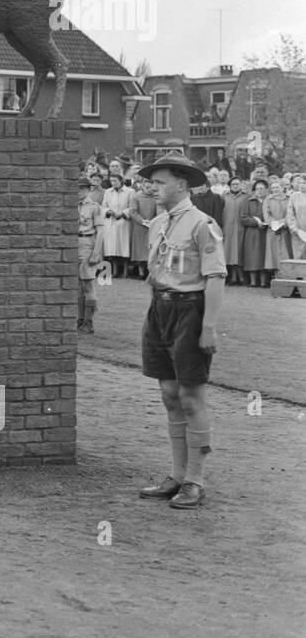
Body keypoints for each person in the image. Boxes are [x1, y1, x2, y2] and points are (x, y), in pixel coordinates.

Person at [136, 152, 226, 510]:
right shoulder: (158, 223)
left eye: (159, 182)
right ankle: (176, 474)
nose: (152, 187)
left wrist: (209, 328)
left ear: (182, 185)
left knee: (191, 396)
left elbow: (216, 276)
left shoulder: (203, 224)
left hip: (190, 310)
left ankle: (195, 480)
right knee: (169, 394)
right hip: (160, 309)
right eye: (152, 182)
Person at [76, 175, 106, 332]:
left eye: (82, 188)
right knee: (78, 286)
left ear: (88, 189)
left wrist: (96, 253)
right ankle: (80, 319)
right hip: (75, 245)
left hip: (88, 244)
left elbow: (100, 231)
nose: (79, 191)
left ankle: (89, 322)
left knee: (88, 285)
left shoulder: (94, 207)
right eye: (77, 188)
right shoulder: (72, 206)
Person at [239, 179, 269, 288]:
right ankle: (252, 281)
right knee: (252, 256)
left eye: (262, 188)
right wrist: (255, 222)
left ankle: (263, 281)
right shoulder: (248, 201)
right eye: (257, 189)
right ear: (254, 190)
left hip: (266, 232)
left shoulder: (269, 200)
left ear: (266, 190)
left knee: (264, 255)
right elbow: (243, 218)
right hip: (252, 233)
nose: (259, 191)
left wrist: (267, 223)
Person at [127, 176, 159, 279]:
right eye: (146, 182)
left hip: (153, 226)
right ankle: (141, 273)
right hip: (139, 226)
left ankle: (150, 273)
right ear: (142, 184)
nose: (148, 184)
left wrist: (154, 221)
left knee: (152, 250)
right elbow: (132, 211)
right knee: (140, 250)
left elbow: (160, 210)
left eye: (150, 182)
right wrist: (142, 221)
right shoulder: (136, 196)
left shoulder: (157, 196)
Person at [101, 172, 132, 277]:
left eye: (115, 181)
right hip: (111, 222)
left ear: (121, 181)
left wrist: (123, 213)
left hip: (124, 222)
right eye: (111, 181)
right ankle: (114, 270)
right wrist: (108, 211)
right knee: (112, 248)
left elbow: (132, 207)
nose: (113, 183)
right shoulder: (108, 192)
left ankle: (125, 271)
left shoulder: (129, 192)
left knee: (124, 247)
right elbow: (104, 206)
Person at [220, 176, 248, 285]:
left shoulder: (246, 197)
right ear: (230, 186)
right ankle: (232, 277)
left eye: (237, 184)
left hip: (241, 227)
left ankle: (240, 277)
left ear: (241, 185)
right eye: (233, 184)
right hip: (227, 227)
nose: (235, 186)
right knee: (228, 252)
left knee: (239, 252)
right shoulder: (224, 197)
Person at [263, 178, 292, 278]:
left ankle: (287, 278)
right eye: (273, 188)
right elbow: (266, 214)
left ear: (282, 187)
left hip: (286, 230)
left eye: (277, 187)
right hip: (273, 231)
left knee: (286, 254)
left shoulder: (289, 198)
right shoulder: (268, 199)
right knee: (274, 256)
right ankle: (276, 278)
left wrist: (284, 222)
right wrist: (273, 224)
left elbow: (291, 212)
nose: (275, 189)